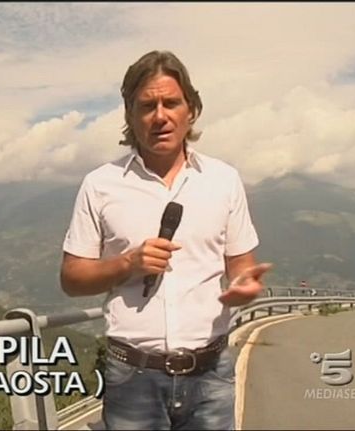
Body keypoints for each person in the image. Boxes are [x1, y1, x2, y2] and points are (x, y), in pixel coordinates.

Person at [60, 50, 272, 430]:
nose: (160, 116)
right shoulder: (100, 185)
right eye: (147, 106)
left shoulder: (224, 180)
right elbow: (72, 278)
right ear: (130, 115)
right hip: (132, 377)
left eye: (171, 103)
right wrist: (127, 264)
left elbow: (241, 267)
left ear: (191, 110)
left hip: (210, 374)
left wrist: (244, 286)